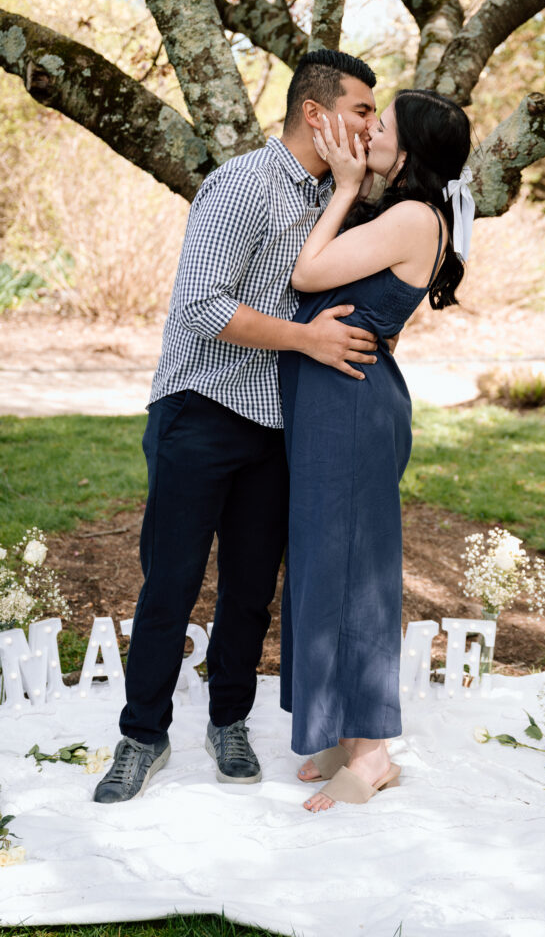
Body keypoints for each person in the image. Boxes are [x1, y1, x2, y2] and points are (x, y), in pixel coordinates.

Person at [93, 49, 382, 804]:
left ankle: (228, 721)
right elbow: (202, 308)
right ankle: (140, 736)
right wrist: (307, 340)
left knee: (251, 591)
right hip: (201, 408)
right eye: (359, 110)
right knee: (172, 583)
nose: (371, 124)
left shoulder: (337, 196)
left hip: (280, 424)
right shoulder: (240, 186)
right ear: (315, 115)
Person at [278, 88, 474, 812]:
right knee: (320, 559)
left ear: (409, 149)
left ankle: (372, 754)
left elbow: (308, 273)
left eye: (380, 125)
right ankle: (336, 728)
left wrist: (345, 187)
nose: (367, 132)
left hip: (351, 402)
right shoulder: (404, 216)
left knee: (354, 567)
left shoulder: (410, 216)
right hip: (332, 394)